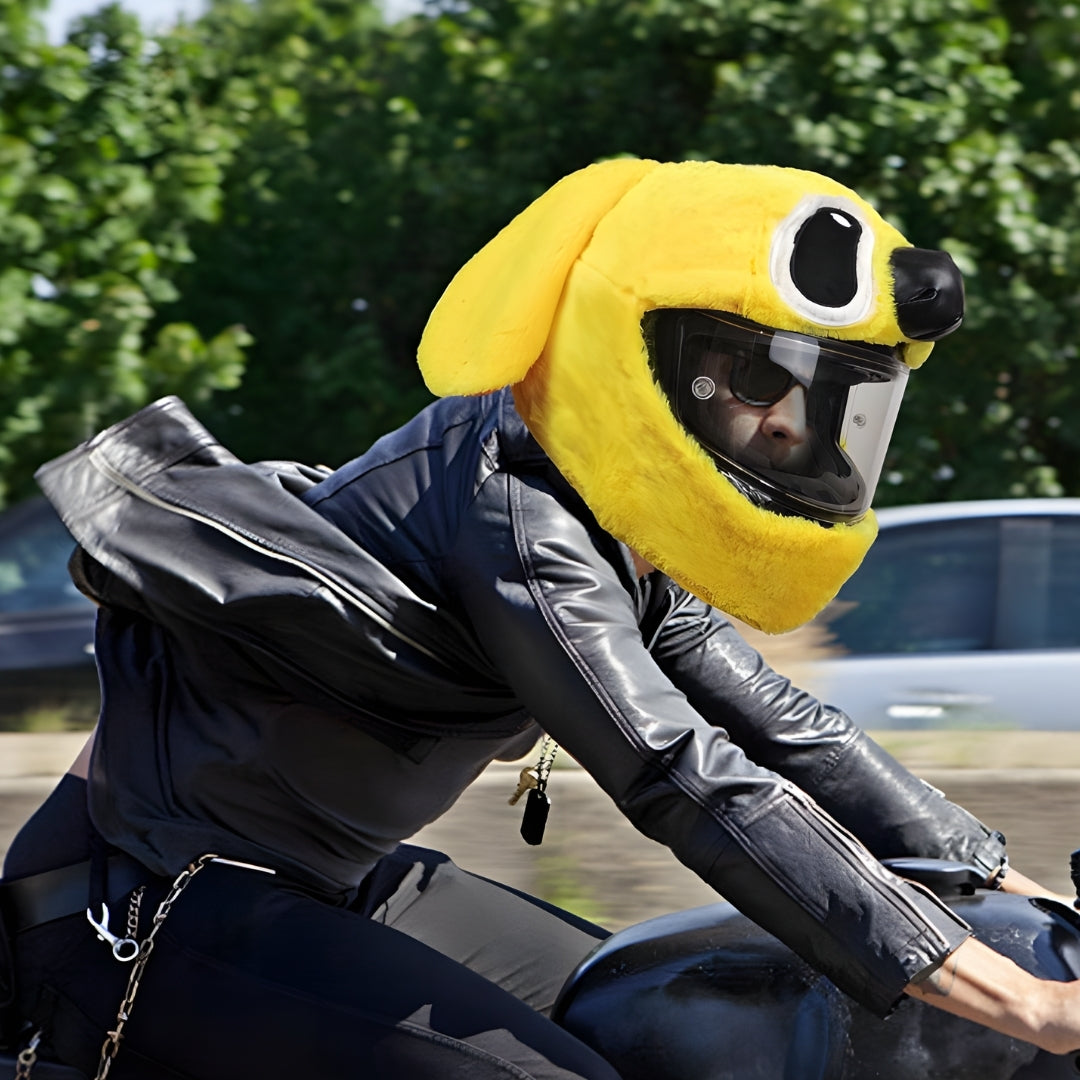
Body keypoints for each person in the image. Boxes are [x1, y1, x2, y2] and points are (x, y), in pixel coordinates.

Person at [2, 158, 1080, 1079]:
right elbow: (684, 774)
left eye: (826, 403)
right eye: (765, 380)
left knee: (656, 1011)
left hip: (347, 880)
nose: (794, 428)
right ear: (668, 356)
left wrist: (1024, 905)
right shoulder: (513, 502)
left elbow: (793, 734)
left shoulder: (618, 513)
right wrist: (1019, 1004)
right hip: (151, 899)